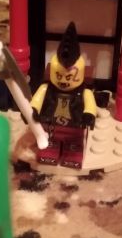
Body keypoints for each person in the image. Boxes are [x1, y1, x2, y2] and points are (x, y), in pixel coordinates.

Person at [30, 22, 97, 169]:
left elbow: (90, 104)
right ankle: (51, 149)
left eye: (68, 77)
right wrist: (33, 109)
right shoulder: (46, 88)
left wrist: (88, 114)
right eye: (59, 76)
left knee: (74, 143)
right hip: (51, 126)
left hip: (75, 125)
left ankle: (73, 151)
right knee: (51, 142)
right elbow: (37, 99)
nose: (64, 81)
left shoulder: (84, 92)